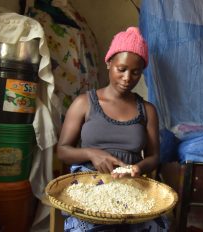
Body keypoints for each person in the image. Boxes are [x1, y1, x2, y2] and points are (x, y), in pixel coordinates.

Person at [56, 27, 169, 231]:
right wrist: (92, 153)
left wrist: (139, 168)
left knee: (156, 226)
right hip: (89, 184)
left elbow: (154, 157)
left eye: (135, 72)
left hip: (130, 186)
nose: (127, 78)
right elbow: (62, 151)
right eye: (121, 69)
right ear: (109, 63)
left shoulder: (147, 110)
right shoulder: (84, 103)